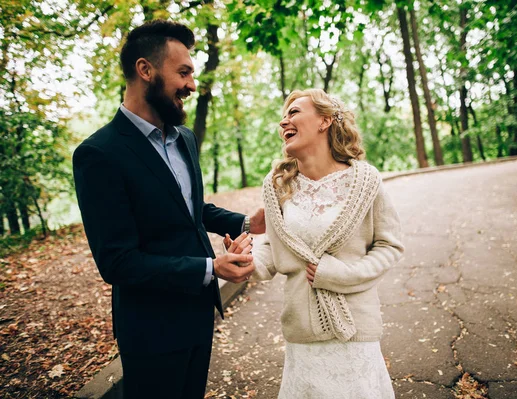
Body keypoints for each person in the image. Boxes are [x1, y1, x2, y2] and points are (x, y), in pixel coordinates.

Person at [72, 20, 264, 398]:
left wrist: (247, 221)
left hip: (198, 315)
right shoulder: (99, 155)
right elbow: (118, 262)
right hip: (151, 330)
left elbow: (190, 209)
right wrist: (212, 268)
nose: (192, 85)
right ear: (145, 70)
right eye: (183, 72)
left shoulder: (185, 139)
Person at [248, 88, 404, 398]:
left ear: (324, 121)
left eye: (294, 112)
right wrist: (247, 260)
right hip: (302, 334)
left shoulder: (366, 180)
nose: (284, 121)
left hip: (354, 334)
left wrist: (340, 275)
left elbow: (389, 246)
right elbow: (271, 250)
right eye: (283, 116)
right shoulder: (277, 185)